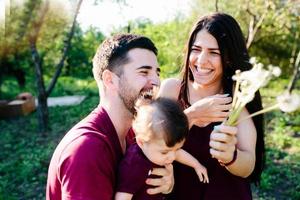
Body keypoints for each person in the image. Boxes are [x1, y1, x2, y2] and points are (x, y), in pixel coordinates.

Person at [46, 33, 174, 200]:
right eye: (144, 72)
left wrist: (167, 184)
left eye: (157, 72)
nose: (156, 81)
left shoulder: (136, 134)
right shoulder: (87, 150)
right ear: (110, 80)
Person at [158, 12, 264, 199]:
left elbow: (248, 165)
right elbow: (152, 142)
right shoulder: (172, 90)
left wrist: (230, 155)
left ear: (229, 57)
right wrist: (190, 116)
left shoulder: (237, 98)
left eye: (214, 52)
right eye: (196, 49)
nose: (201, 60)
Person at [115, 97, 209, 200]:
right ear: (141, 142)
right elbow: (123, 196)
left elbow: (179, 154)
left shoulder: (155, 150)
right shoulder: (134, 165)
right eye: (164, 152)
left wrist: (197, 165)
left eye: (176, 149)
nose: (172, 157)